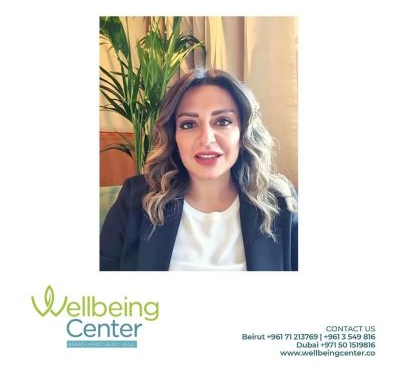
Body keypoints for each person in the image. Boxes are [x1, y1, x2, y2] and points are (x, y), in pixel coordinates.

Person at [100, 68, 298, 271]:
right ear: (174, 136)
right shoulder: (135, 199)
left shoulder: (280, 202)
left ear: (243, 132)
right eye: (188, 124)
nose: (206, 139)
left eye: (223, 121)